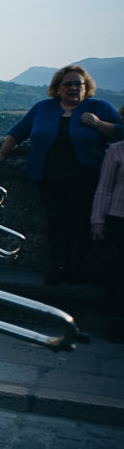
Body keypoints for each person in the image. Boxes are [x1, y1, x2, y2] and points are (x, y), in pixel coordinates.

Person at [0, 65, 120, 284]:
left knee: (83, 224)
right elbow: (18, 133)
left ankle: (81, 268)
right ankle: (60, 266)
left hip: (86, 177)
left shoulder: (99, 107)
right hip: (48, 177)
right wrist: (1, 153)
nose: (74, 88)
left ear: (86, 87)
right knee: (57, 224)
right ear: (57, 88)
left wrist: (97, 123)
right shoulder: (43, 108)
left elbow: (121, 133)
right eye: (68, 84)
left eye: (78, 84)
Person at [91, 139, 124, 343]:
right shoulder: (117, 149)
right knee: (120, 275)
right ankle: (118, 323)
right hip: (119, 218)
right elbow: (104, 188)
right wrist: (97, 220)